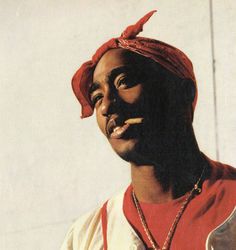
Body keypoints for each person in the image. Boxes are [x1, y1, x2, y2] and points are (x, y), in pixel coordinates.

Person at [61, 11, 236, 250]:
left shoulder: (231, 200)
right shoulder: (87, 237)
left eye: (124, 81)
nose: (107, 105)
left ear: (184, 93)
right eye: (96, 96)